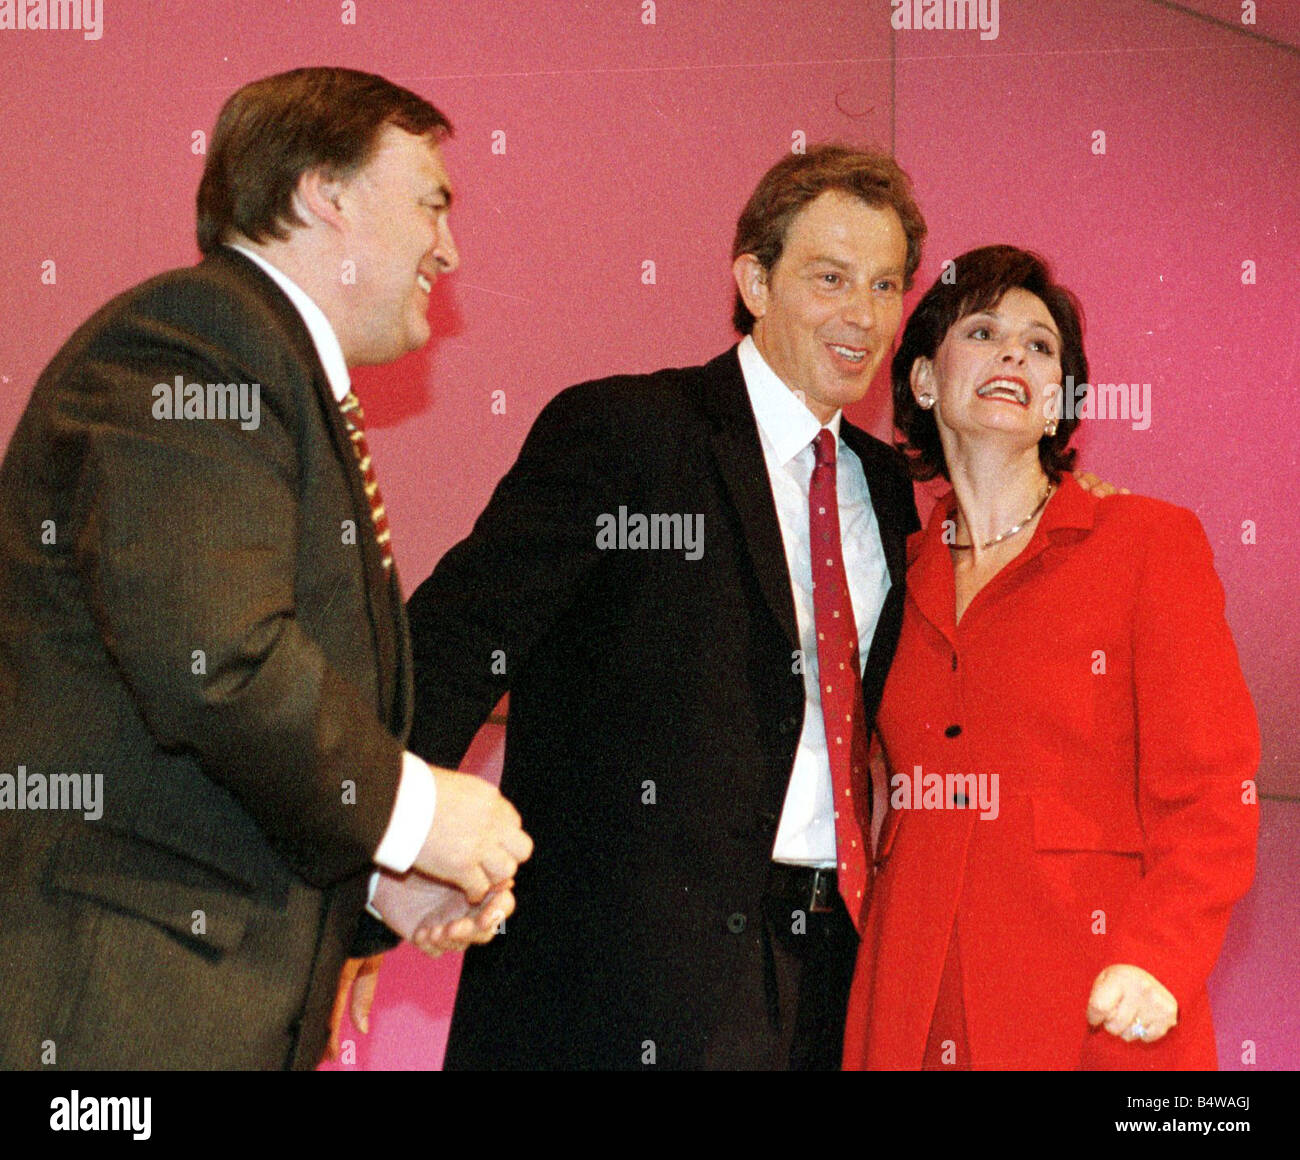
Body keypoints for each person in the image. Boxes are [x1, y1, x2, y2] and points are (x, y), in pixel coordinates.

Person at [0, 67, 530, 1071]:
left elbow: (206, 744)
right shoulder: (199, 342)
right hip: (113, 1013)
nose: (448, 248)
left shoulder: (265, 368)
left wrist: (375, 882)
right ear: (320, 192)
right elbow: (215, 659)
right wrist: (415, 809)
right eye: (430, 202)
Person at [369, 145, 924, 1070]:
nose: (862, 316)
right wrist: (363, 870)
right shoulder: (630, 434)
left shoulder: (889, 493)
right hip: (613, 980)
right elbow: (458, 646)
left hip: (829, 976)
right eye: (830, 278)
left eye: (885, 284)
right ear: (754, 280)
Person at [841, 245, 1259, 1070]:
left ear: (1060, 399)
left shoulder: (1147, 544)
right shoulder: (897, 567)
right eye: (985, 330)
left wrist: (1159, 958)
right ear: (923, 380)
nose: (1013, 355)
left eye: (1040, 347)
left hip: (1094, 1000)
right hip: (906, 1000)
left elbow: (1213, 789)